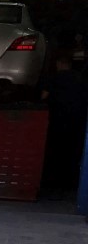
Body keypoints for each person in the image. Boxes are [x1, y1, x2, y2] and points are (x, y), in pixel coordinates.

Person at [40, 53, 88, 197]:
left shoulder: (53, 78)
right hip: (77, 122)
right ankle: (71, 183)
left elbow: (43, 97)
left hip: (57, 121)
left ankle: (54, 184)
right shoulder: (80, 79)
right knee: (73, 152)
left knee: (56, 152)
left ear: (59, 64)